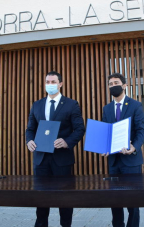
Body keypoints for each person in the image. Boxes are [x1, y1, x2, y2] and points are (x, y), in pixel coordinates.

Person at [26, 71, 85, 227]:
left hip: (62, 159)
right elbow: (30, 129)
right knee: (41, 198)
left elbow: (79, 129)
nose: (49, 84)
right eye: (47, 81)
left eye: (53, 81)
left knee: (65, 199)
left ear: (60, 84)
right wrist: (29, 141)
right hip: (41, 159)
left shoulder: (72, 104)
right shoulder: (36, 105)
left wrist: (67, 142)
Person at [102, 73, 144, 227]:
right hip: (114, 161)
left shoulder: (135, 105)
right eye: (110, 83)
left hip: (131, 160)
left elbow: (141, 131)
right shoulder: (106, 108)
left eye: (116, 82)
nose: (113, 85)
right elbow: (107, 133)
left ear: (125, 85)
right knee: (115, 199)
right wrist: (104, 147)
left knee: (133, 200)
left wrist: (134, 147)